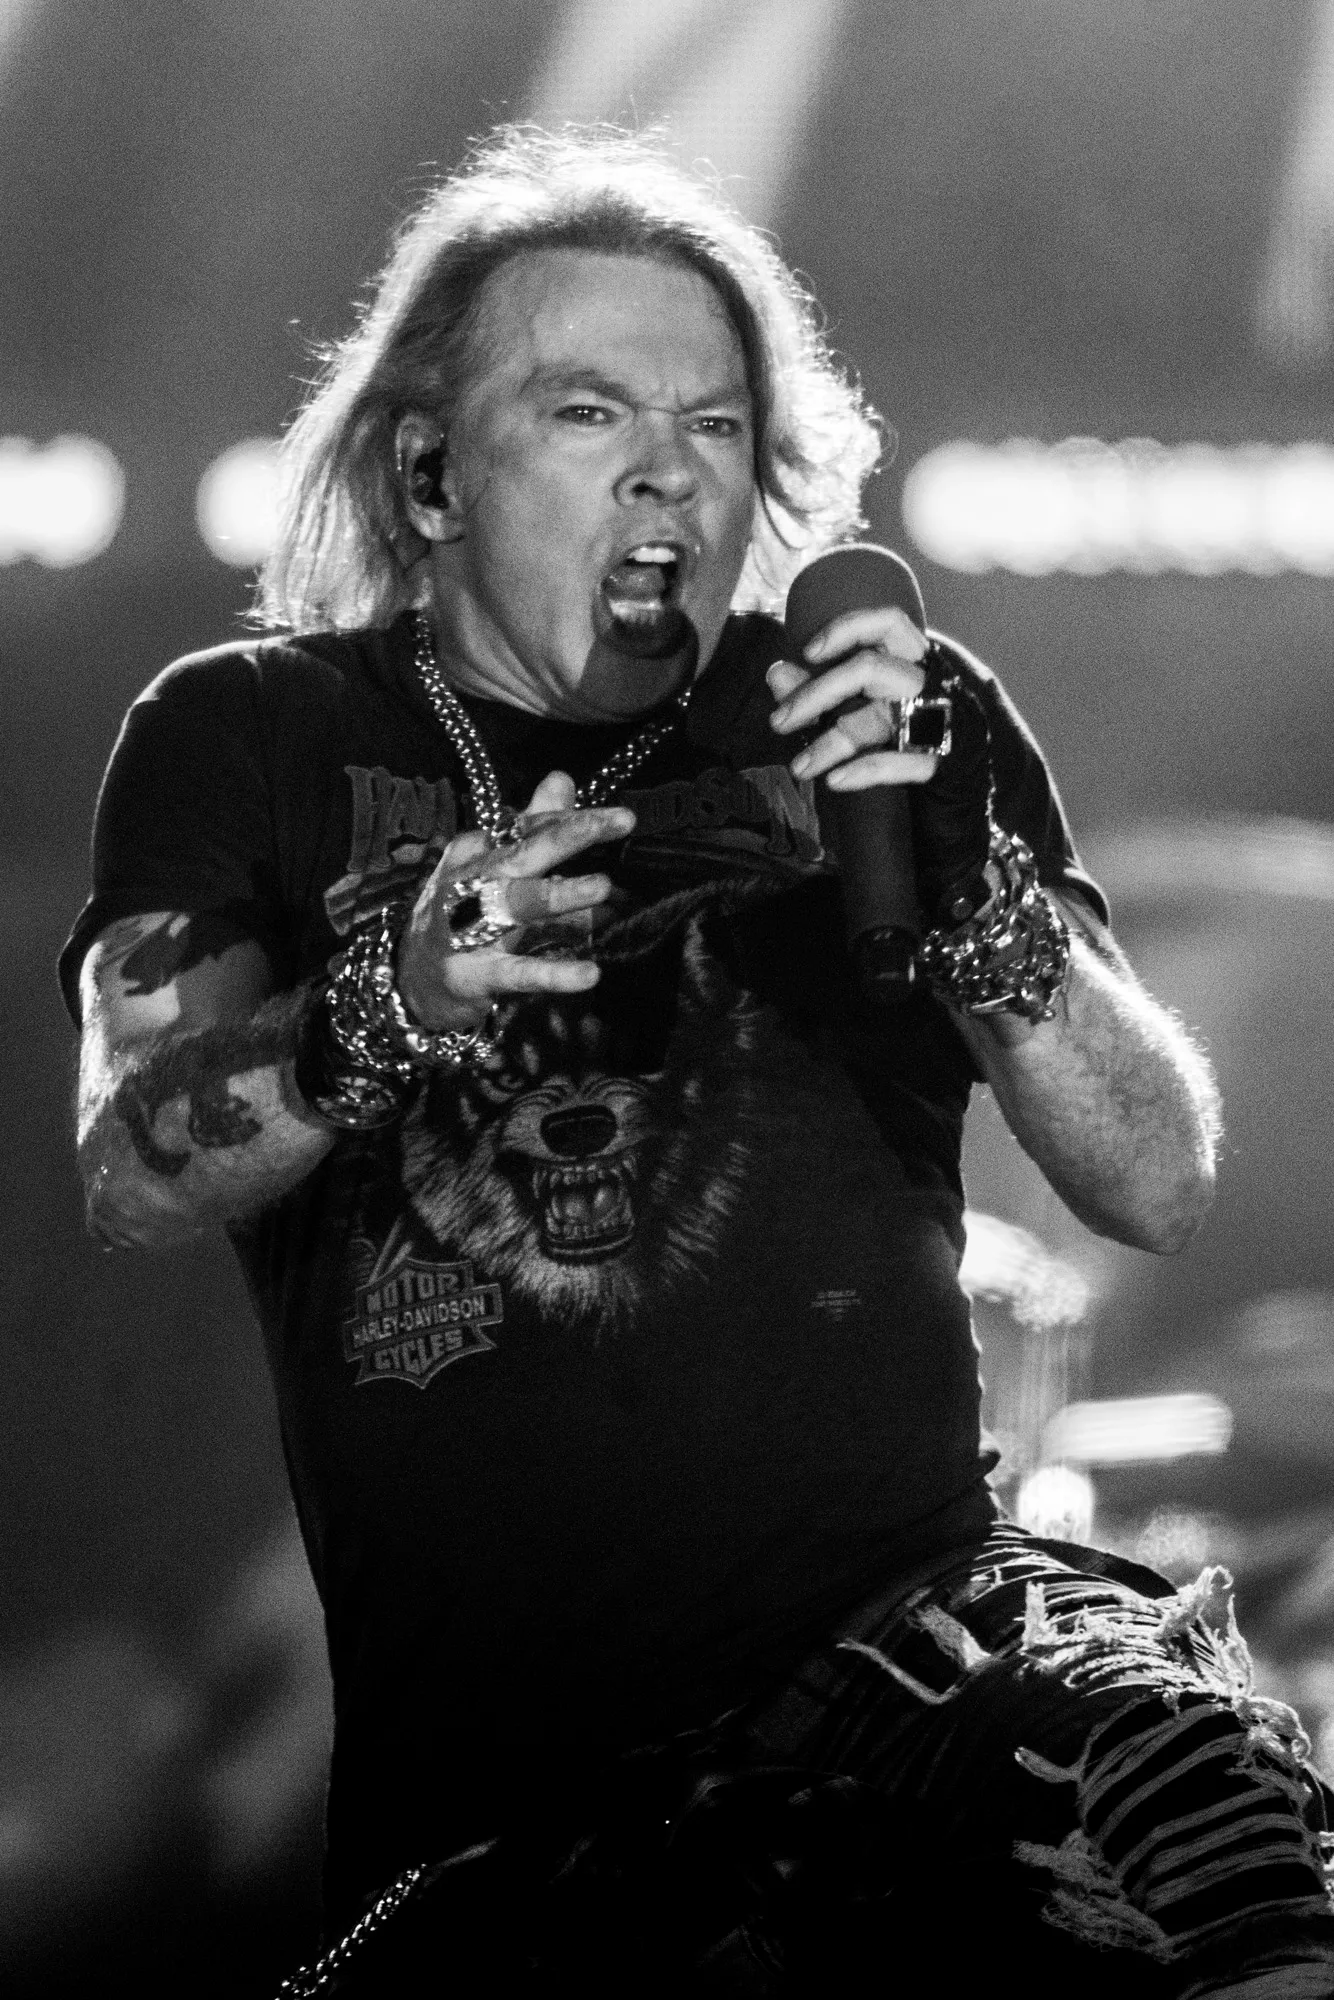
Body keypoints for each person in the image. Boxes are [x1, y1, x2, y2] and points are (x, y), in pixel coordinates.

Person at [63, 128, 1332, 1994]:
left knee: (1203, 1816)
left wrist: (977, 896)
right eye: (590, 411)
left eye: (717, 424)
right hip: (521, 1781)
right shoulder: (252, 733)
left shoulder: (891, 723)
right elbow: (132, 1168)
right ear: (428, 470)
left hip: (917, 1648)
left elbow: (1154, 1177)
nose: (670, 468)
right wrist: (382, 1002)